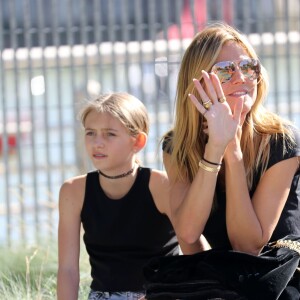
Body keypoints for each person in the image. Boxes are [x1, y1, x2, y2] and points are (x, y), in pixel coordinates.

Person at [162, 22, 300, 256]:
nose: (240, 78)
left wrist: (232, 149)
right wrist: (214, 148)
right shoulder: (177, 146)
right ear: (197, 83)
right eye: (225, 70)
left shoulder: (282, 140)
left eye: (248, 67)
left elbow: (247, 246)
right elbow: (188, 235)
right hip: (226, 281)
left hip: (282, 274)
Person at [57, 92, 179, 300]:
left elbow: (194, 252)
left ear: (138, 142)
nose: (97, 143)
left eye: (109, 134)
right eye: (90, 133)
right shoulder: (73, 191)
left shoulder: (162, 186)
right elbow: (68, 270)